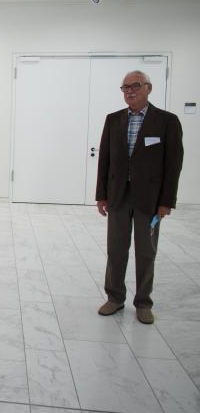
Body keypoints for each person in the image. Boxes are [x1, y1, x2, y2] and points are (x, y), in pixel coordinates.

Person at [96, 70, 183, 324]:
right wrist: (102, 195)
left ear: (149, 88)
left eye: (135, 86)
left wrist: (167, 202)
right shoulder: (113, 120)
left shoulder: (167, 121)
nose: (130, 91)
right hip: (119, 196)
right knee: (116, 250)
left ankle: (143, 302)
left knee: (146, 252)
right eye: (125, 87)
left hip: (150, 200)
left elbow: (173, 165)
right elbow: (105, 161)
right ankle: (115, 297)